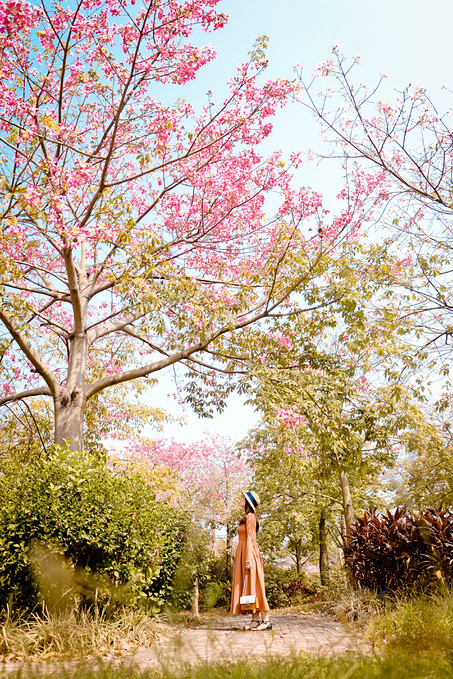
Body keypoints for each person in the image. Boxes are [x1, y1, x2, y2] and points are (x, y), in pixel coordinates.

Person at [230, 489, 271, 630]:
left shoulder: (251, 517)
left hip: (249, 554)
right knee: (250, 586)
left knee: (256, 585)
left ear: (248, 502)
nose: (240, 499)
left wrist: (248, 558)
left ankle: (266, 621)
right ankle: (255, 620)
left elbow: (251, 538)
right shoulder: (247, 517)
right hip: (243, 552)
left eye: (243, 498)